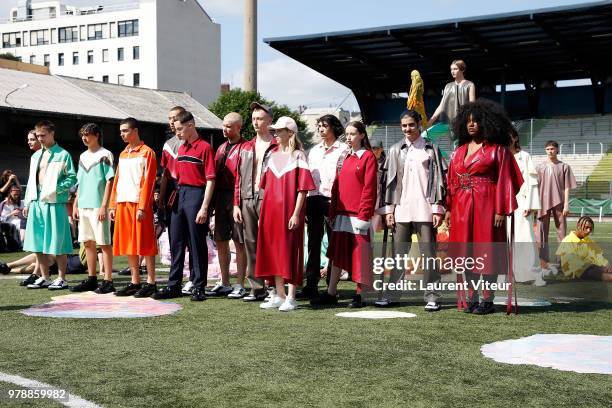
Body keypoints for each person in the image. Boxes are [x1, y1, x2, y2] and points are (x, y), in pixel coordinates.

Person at [445, 99, 523, 315]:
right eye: (468, 121)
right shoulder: (459, 151)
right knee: (467, 253)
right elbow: (451, 182)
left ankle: (487, 300)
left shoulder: (498, 150)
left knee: (486, 252)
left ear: (486, 123)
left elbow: (506, 180)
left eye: (476, 121)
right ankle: (471, 298)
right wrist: (449, 209)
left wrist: (500, 209)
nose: (471, 125)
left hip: (487, 206)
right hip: (461, 207)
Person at [381, 109, 447, 311]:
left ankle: (432, 296)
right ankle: (392, 295)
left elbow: (439, 181)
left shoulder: (431, 148)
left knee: (429, 254)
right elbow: (388, 184)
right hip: (401, 210)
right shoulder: (394, 150)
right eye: (404, 126)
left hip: (425, 210)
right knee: (398, 256)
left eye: (411, 124)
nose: (407, 129)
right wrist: (389, 210)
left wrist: (437, 208)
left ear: (419, 124)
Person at [311, 121, 378, 308]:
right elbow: (336, 186)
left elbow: (369, 189)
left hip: (359, 215)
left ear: (362, 135)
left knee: (360, 256)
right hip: (341, 214)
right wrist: (333, 211)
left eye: (353, 134)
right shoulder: (344, 156)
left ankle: (361, 294)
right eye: (347, 134)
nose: (348, 137)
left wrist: (365, 215)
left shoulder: (368, 157)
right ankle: (331, 292)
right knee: (336, 256)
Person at [153, 111, 215, 302]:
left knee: (196, 242)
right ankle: (174, 285)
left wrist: (205, 207)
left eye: (180, 128)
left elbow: (211, 180)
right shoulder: (181, 149)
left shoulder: (205, 148)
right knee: (176, 241)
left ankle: (199, 286)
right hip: (179, 194)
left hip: (196, 194)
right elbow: (173, 176)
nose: (176, 132)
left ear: (191, 125)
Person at [255, 116, 315, 311]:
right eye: (275, 130)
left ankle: (291, 296)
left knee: (289, 251)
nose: (275, 133)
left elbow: (303, 189)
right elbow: (264, 187)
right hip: (270, 212)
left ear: (290, 133)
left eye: (279, 130)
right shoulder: (271, 155)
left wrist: (296, 213)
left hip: (289, 212)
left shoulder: (299, 156)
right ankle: (280, 295)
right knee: (273, 252)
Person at [23, 120, 77, 290]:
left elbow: (72, 178)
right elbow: (32, 180)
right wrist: (28, 201)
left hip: (55, 202)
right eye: (38, 136)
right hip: (37, 201)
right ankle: (45, 276)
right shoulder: (35, 156)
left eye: (43, 136)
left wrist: (55, 189)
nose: (40, 139)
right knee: (37, 241)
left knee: (58, 241)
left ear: (52, 133)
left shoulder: (63, 154)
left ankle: (62, 278)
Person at [233, 102, 278, 301]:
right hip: (247, 198)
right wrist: (236, 203)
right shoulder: (246, 146)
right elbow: (238, 178)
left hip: (270, 198)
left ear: (270, 120)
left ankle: (275, 287)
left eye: (259, 118)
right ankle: (256, 287)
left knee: (272, 242)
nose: (255, 122)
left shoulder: (279, 146)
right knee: (250, 243)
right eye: (253, 119)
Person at [109, 118, 157, 297]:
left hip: (139, 204)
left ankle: (151, 282)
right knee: (129, 244)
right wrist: (113, 204)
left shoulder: (147, 153)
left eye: (125, 130)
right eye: (121, 131)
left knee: (145, 243)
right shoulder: (123, 154)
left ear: (135, 131)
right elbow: (117, 180)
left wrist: (143, 207)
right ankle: (135, 282)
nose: (122, 134)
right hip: (123, 203)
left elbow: (149, 182)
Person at [301, 114, 347, 299]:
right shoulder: (313, 150)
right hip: (313, 198)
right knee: (313, 242)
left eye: (324, 125)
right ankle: (310, 284)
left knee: (333, 244)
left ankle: (331, 285)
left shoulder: (343, 149)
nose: (321, 129)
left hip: (332, 200)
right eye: (319, 126)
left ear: (334, 127)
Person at [70, 123, 115, 294]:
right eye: (82, 134)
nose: (84, 137)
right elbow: (79, 183)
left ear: (97, 135)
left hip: (98, 206)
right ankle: (92, 278)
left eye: (87, 134)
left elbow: (109, 180)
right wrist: (75, 204)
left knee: (104, 243)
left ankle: (108, 280)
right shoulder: (82, 156)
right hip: (84, 206)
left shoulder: (106, 154)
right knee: (87, 242)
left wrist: (105, 205)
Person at [208, 112, 247, 298]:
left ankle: (240, 284)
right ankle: (225, 282)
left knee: (239, 242)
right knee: (221, 240)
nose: (225, 129)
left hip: (238, 197)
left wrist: (238, 201)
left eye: (229, 126)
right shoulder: (221, 148)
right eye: (224, 125)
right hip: (221, 198)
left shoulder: (246, 147)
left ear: (239, 127)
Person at [157, 106, 194, 294]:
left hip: (192, 193)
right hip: (174, 195)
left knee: (193, 240)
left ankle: (194, 279)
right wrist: (161, 199)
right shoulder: (168, 144)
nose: (172, 121)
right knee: (176, 240)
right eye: (169, 118)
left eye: (176, 117)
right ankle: (174, 281)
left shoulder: (194, 143)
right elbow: (165, 174)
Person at [507, 129, 544, 286]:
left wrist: (530, 204)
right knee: (506, 239)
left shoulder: (525, 156)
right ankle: (508, 274)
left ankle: (533, 274)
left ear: (515, 138)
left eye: (509, 136)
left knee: (526, 237)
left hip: (522, 203)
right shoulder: (501, 156)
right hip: (505, 203)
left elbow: (532, 182)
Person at [536, 140, 577, 274]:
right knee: (542, 233)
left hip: (559, 202)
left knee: (562, 233)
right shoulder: (539, 167)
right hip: (542, 203)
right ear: (545, 150)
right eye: (548, 149)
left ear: (557, 150)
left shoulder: (564, 166)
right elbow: (535, 187)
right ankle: (543, 262)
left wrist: (566, 204)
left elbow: (566, 187)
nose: (550, 151)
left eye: (552, 149)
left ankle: (561, 262)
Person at [556, 216, 612, 281]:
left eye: (590, 229)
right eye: (586, 227)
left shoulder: (588, 240)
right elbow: (572, 263)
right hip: (579, 271)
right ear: (578, 226)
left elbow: (598, 255)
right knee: (595, 272)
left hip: (591, 267)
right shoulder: (568, 240)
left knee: (606, 269)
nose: (588, 231)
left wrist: (606, 265)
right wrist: (597, 266)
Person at [429, 60, 476, 133]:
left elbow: (472, 106)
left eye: (455, 69)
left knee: (457, 143)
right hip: (447, 123)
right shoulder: (448, 86)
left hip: (462, 123)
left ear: (462, 70)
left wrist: (471, 121)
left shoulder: (470, 85)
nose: (452, 71)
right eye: (451, 69)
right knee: (425, 135)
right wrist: (431, 121)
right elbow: (441, 105)